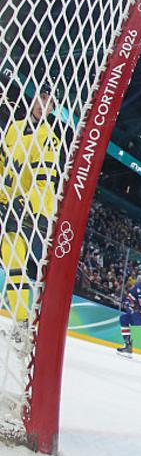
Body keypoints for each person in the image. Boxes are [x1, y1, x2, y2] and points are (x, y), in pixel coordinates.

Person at [1, 83, 60, 320]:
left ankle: (21, 320)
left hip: (20, 209)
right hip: (4, 199)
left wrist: (39, 213)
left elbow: (44, 181)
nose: (43, 104)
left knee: (13, 258)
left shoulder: (50, 140)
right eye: (42, 97)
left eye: (49, 102)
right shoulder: (13, 128)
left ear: (52, 109)